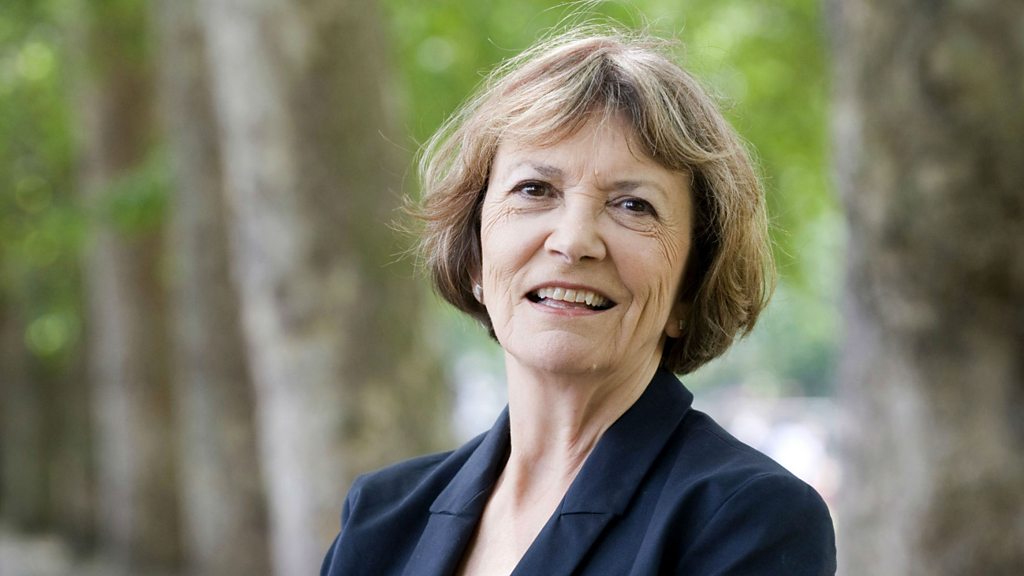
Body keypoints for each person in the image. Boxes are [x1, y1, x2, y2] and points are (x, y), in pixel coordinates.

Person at [321, 26, 836, 576]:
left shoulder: (750, 520)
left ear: (691, 287)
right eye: (535, 190)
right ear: (474, 257)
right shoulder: (380, 520)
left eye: (633, 205)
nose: (573, 241)